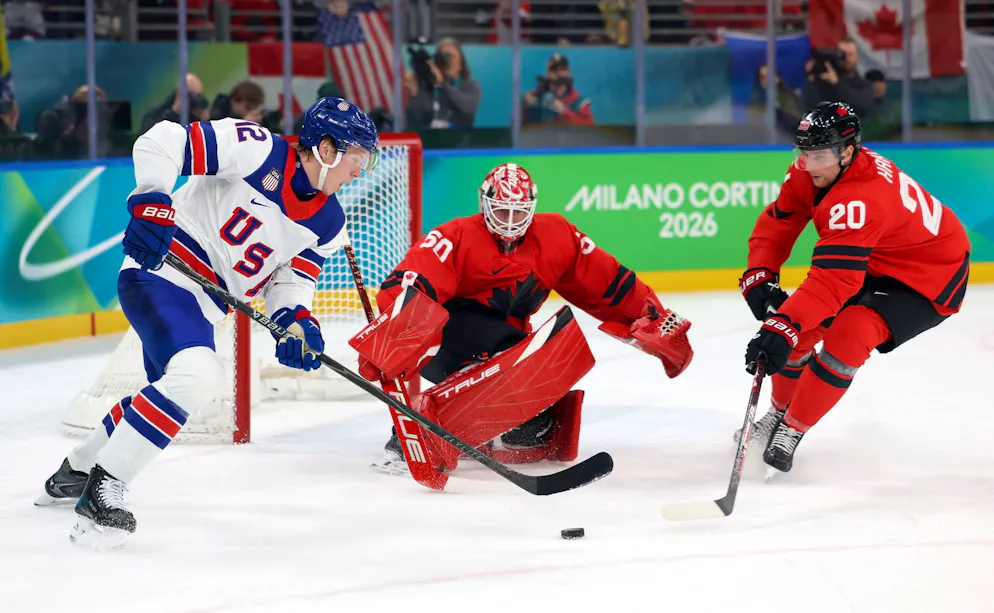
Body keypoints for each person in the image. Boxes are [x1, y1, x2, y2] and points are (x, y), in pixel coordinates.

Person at [36, 97, 380, 546]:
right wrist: (153, 199)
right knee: (199, 375)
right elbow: (162, 141)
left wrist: (297, 323)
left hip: (203, 308)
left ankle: (76, 471)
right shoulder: (256, 148)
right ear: (327, 149)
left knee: (174, 390)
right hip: (161, 273)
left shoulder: (329, 223)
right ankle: (103, 491)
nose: (360, 171)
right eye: (357, 158)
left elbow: (292, 282)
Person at [349, 163, 694, 475]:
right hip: (447, 340)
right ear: (484, 203)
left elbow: (607, 281)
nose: (510, 221)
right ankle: (415, 432)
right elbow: (413, 285)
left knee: (538, 397)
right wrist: (393, 336)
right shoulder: (453, 237)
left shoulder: (558, 236)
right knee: (509, 349)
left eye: (519, 212)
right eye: (502, 210)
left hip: (512, 345)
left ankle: (496, 431)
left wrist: (651, 316)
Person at [738, 101, 970, 477]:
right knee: (797, 332)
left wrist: (782, 324)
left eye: (819, 156)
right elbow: (781, 221)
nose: (808, 164)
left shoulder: (861, 197)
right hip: (876, 258)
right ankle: (778, 413)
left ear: (847, 152)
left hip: (929, 275)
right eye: (803, 153)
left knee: (849, 333)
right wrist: (760, 272)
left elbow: (834, 281)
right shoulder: (812, 169)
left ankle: (793, 428)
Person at [522, 54, 592, 126]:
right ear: (548, 74)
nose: (559, 74)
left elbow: (588, 126)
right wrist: (526, 103)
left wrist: (564, 112)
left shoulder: (580, 103)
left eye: (563, 69)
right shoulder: (537, 97)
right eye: (554, 70)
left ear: (569, 72)